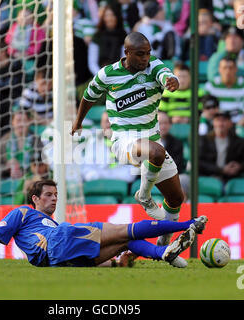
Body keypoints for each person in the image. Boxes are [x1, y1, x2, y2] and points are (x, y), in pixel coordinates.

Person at [71, 32, 185, 251]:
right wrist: (78, 122)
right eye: (140, 54)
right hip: (124, 140)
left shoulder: (154, 66)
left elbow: (166, 76)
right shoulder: (107, 74)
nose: (145, 58)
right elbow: (88, 96)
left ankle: (163, 245)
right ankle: (144, 195)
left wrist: (173, 81)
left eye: (148, 53)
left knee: (176, 198)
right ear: (127, 53)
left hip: (150, 140)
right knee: (157, 153)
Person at [0, 179, 208, 269]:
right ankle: (190, 223)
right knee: (125, 229)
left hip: (59, 261)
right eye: (48, 195)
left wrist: (115, 265)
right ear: (34, 199)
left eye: (56, 195)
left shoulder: (49, 223)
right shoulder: (23, 212)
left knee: (125, 242)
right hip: (60, 241)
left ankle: (162, 252)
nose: (54, 198)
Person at [81, 111, 138, 183]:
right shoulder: (93, 142)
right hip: (99, 186)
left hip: (121, 185)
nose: (107, 124)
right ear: (101, 124)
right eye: (105, 121)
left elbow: (130, 175)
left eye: (110, 121)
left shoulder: (128, 141)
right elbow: (87, 173)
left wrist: (101, 175)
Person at [207, 26, 244, 100]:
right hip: (220, 96)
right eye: (229, 38)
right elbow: (212, 76)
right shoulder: (217, 56)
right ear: (225, 41)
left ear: (242, 41)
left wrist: (227, 72)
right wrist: (238, 72)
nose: (232, 41)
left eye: (235, 37)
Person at [198, 111, 244, 183]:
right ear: (213, 123)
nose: (221, 124)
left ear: (230, 123)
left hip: (228, 180)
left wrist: (239, 166)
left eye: (224, 120)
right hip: (207, 177)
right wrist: (220, 170)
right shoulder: (204, 140)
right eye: (218, 120)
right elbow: (198, 162)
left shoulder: (237, 141)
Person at [205, 55, 244, 130]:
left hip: (237, 126)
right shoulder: (211, 86)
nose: (227, 71)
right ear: (219, 69)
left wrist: (236, 127)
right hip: (215, 126)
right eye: (224, 68)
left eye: (231, 68)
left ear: (236, 69)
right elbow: (207, 111)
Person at [0, 106, 45, 180]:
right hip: (8, 180)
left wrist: (29, 170)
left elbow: (43, 165)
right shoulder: (4, 140)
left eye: (24, 121)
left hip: (31, 179)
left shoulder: (37, 141)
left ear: (29, 122)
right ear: (12, 122)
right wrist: (7, 167)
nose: (21, 124)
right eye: (18, 121)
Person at [87, 3, 127, 76]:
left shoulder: (124, 36)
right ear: (103, 18)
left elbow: (125, 60)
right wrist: (102, 76)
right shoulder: (97, 36)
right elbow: (92, 63)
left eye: (112, 15)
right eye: (107, 15)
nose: (109, 18)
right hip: (100, 77)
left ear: (117, 17)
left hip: (119, 76)